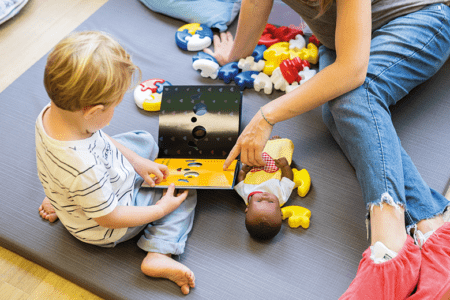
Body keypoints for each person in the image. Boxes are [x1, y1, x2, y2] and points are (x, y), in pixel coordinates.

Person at [205, 0, 450, 298]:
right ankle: (433, 230)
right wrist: (233, 58)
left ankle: (390, 246)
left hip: (416, 18)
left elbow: (353, 72)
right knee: (336, 114)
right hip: (342, 41)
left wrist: (266, 115)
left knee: (352, 100)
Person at [36, 31, 196, 295]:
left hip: (78, 185)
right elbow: (110, 217)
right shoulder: (83, 167)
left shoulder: (54, 112)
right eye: (113, 106)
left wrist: (136, 161)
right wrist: (160, 209)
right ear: (92, 112)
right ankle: (160, 251)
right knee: (182, 191)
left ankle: (60, 197)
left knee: (142, 141)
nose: (114, 112)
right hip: (106, 223)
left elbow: (98, 138)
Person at [234, 137, 296, 240]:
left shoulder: (246, 195)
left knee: (252, 149)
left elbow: (240, 181)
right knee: (278, 149)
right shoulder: (282, 196)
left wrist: (243, 172)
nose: (265, 196)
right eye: (271, 202)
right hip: (275, 166)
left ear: (248, 208)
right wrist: (285, 167)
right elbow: (288, 179)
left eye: (259, 200)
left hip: (255, 167)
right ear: (280, 211)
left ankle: (265, 141)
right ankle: (275, 142)